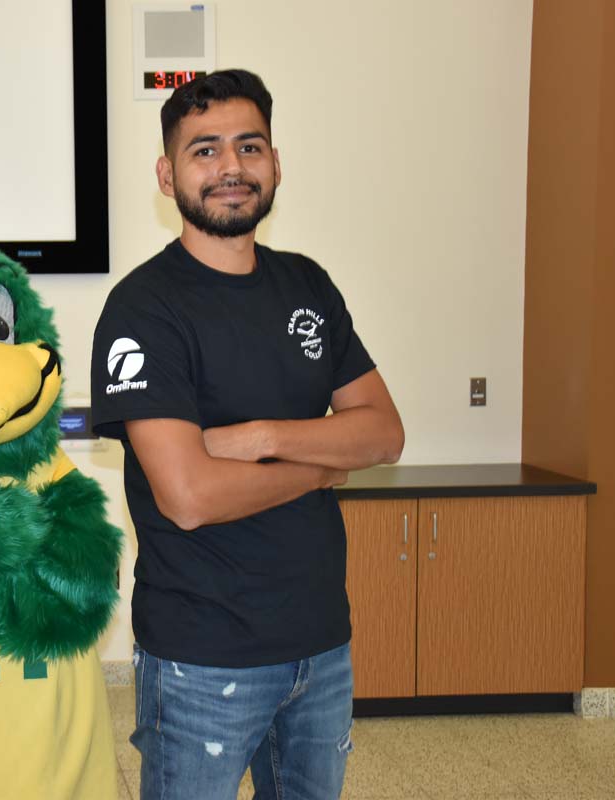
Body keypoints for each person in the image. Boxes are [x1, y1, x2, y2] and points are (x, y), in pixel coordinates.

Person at [91, 69, 404, 800]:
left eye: (249, 146)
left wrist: (260, 437)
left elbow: (383, 433)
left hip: (322, 643)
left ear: (275, 163)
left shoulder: (308, 285)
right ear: (168, 175)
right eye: (205, 151)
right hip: (202, 656)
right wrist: (322, 462)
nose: (231, 167)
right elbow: (190, 495)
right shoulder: (144, 308)